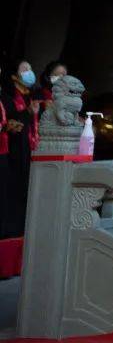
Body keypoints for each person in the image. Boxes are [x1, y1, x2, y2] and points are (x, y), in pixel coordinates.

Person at [1, 60, 40, 238]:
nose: (29, 72)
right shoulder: (7, 96)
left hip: (28, 149)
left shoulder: (31, 96)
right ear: (14, 75)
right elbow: (8, 120)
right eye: (24, 69)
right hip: (11, 152)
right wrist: (26, 113)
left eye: (30, 68)